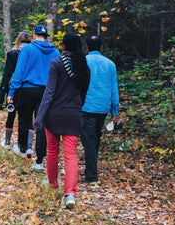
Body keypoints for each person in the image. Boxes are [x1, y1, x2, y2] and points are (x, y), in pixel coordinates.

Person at [34, 33, 90, 209]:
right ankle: (70, 194)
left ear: (64, 47)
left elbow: (49, 92)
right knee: (71, 155)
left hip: (54, 115)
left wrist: (39, 116)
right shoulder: (84, 66)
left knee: (52, 151)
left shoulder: (56, 63)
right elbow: (83, 94)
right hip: (73, 115)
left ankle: (52, 184)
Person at [7, 25, 60, 166]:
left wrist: (12, 91)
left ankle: (23, 149)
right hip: (47, 91)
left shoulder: (28, 49)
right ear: (46, 36)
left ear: (34, 35)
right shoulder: (55, 52)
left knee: (24, 119)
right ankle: (39, 160)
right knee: (42, 123)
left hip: (28, 89)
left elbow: (19, 72)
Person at [80, 35, 120, 185]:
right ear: (101, 48)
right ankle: (91, 169)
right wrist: (114, 111)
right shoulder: (110, 64)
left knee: (89, 140)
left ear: (87, 47)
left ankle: (91, 175)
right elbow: (113, 89)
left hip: (86, 106)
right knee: (95, 138)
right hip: (102, 107)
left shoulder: (83, 62)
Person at [0, 31, 32, 150]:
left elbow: (7, 74)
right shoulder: (33, 53)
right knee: (28, 117)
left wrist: (2, 92)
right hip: (29, 88)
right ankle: (28, 145)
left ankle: (7, 142)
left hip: (14, 88)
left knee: (11, 115)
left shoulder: (12, 53)